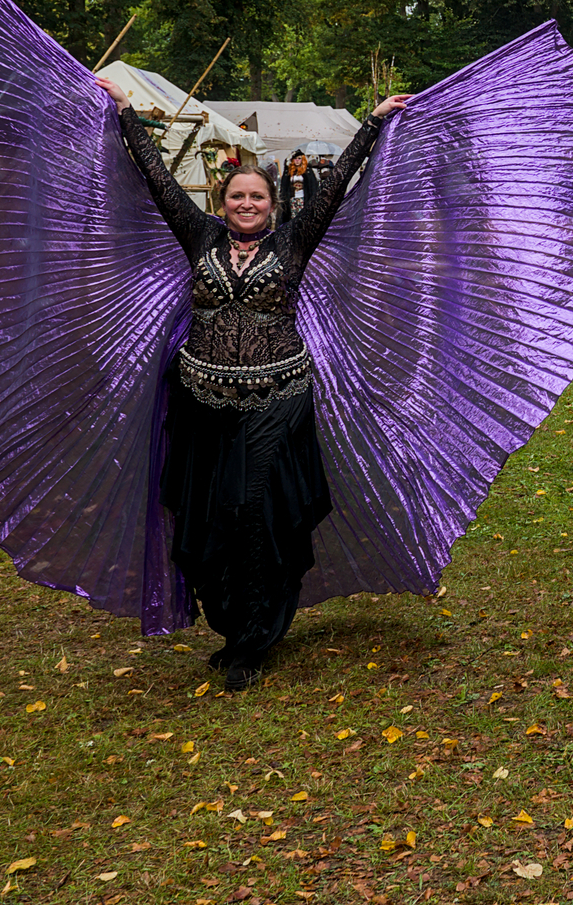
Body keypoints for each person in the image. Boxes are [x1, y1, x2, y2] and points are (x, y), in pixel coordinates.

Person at [94, 73, 410, 687]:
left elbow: (337, 186)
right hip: (202, 402)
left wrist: (372, 123)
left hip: (277, 398)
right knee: (209, 517)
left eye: (257, 197)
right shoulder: (200, 236)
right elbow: (157, 180)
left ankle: (253, 641)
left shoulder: (294, 242)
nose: (246, 204)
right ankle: (232, 623)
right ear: (222, 202)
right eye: (237, 196)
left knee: (255, 512)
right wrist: (127, 111)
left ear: (272, 204)